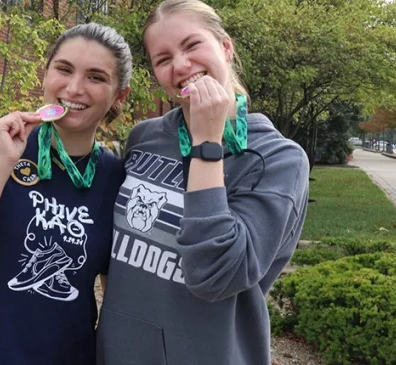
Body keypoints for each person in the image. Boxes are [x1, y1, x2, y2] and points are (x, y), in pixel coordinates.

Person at [96, 0, 310, 364]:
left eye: (192, 45)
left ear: (225, 47)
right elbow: (117, 253)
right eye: (163, 59)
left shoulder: (278, 159)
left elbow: (216, 275)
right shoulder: (144, 137)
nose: (180, 65)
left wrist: (207, 144)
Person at [0, 22, 131, 365]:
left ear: (119, 95)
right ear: (44, 76)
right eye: (64, 69)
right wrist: (1, 166)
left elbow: (118, 300)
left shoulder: (117, 178)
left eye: (96, 77)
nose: (75, 88)